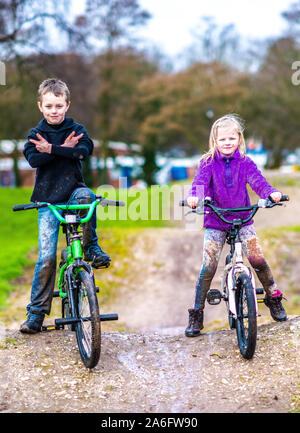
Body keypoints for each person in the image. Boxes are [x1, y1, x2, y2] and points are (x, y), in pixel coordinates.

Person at [20, 78, 110, 334]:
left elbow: (83, 152)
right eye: (49, 105)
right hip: (47, 200)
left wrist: (53, 149)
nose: (54, 110)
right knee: (46, 258)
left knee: (88, 197)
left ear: (67, 105)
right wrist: (62, 149)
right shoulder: (35, 134)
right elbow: (35, 159)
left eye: (58, 105)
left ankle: (91, 247)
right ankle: (36, 314)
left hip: (73, 193)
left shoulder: (76, 128)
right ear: (40, 106)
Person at [185, 114, 287, 337]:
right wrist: (195, 197)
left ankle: (273, 296)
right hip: (216, 220)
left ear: (239, 139)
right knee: (209, 265)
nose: (227, 142)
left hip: (243, 218)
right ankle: (196, 312)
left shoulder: (246, 162)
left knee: (257, 258)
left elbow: (258, 182)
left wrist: (271, 193)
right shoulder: (207, 163)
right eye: (222, 139)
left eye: (232, 138)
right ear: (214, 141)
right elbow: (199, 183)